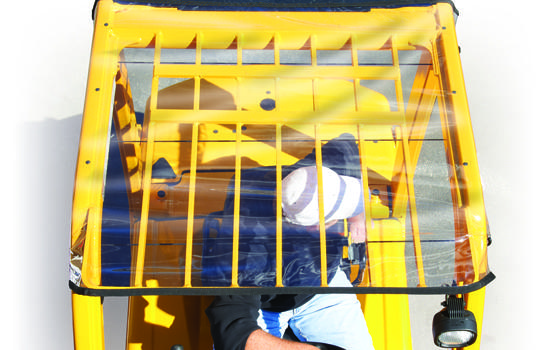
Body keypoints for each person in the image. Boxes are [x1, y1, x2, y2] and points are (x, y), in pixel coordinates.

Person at [203, 134, 375, 350]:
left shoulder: (311, 177)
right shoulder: (248, 253)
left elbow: (346, 143)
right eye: (339, 216)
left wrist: (358, 216)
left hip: (323, 286)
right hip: (267, 307)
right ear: (314, 228)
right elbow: (232, 329)